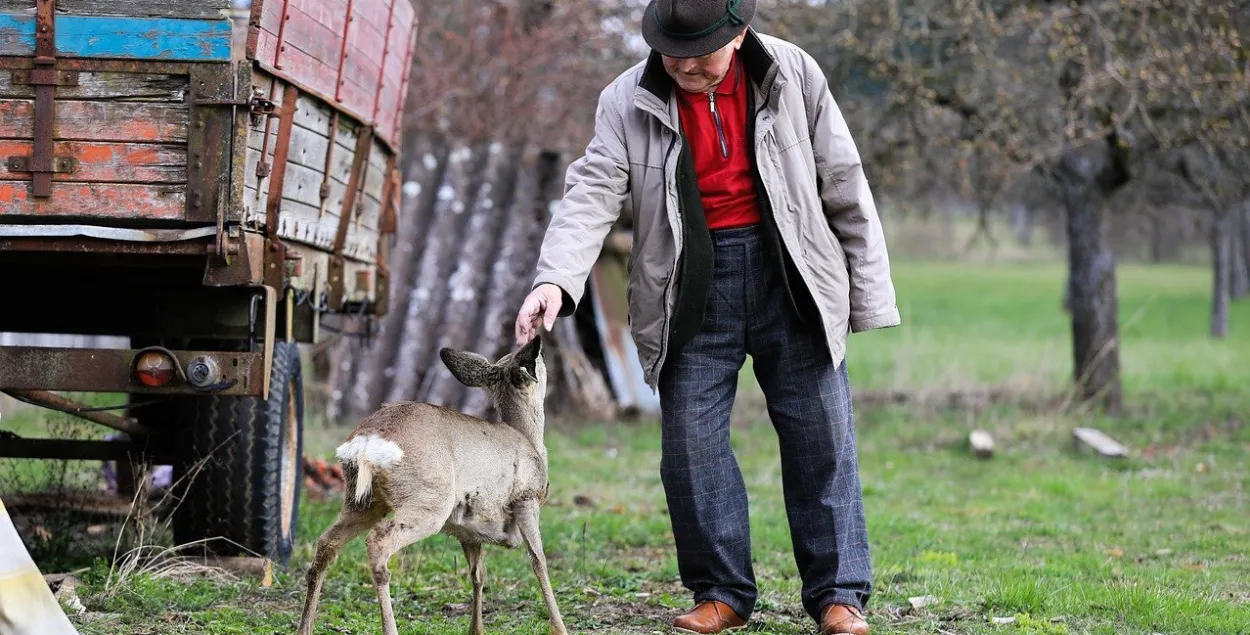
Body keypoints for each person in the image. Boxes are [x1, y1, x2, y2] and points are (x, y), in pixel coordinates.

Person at [514, 1, 899, 633]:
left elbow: (844, 181)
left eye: (702, 54)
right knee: (689, 447)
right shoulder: (625, 99)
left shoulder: (794, 73)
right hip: (687, 286)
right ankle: (721, 592)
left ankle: (839, 597)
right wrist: (556, 278)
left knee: (821, 440)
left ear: (740, 34)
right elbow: (591, 192)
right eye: (675, 53)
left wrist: (868, 294)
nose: (687, 67)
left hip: (791, 274)